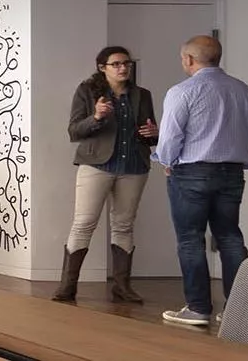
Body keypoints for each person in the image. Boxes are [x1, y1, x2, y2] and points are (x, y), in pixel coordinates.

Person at [154, 34, 248, 328]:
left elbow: (170, 137)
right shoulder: (247, 93)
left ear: (189, 60)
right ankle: (237, 311)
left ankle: (198, 308)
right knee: (230, 238)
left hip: (191, 172)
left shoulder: (182, 91)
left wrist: (167, 161)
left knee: (190, 239)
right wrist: (245, 161)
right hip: (232, 173)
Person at [55, 46, 157, 304]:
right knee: (84, 223)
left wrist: (153, 134)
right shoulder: (88, 91)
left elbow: (150, 133)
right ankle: (67, 286)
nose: (124, 68)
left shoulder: (142, 95)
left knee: (124, 224)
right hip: (96, 165)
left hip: (133, 166)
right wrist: (97, 116)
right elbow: (74, 131)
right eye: (117, 64)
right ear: (102, 67)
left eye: (127, 64)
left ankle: (122, 287)